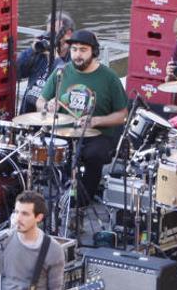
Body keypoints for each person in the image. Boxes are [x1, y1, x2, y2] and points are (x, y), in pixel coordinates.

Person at [37, 30, 128, 204]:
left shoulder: (109, 78)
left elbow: (122, 115)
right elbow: (40, 101)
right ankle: (61, 194)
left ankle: (84, 199)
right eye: (74, 49)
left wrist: (96, 121)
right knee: (50, 148)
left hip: (97, 134)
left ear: (94, 52)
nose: (77, 55)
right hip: (65, 132)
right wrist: (47, 106)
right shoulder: (61, 72)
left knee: (94, 154)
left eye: (83, 50)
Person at [17, 12, 75, 114]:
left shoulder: (74, 57)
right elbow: (16, 71)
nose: (50, 37)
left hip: (53, 118)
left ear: (68, 34)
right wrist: (32, 49)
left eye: (54, 33)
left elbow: (68, 79)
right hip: (27, 115)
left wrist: (55, 57)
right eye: (48, 33)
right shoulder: (40, 54)